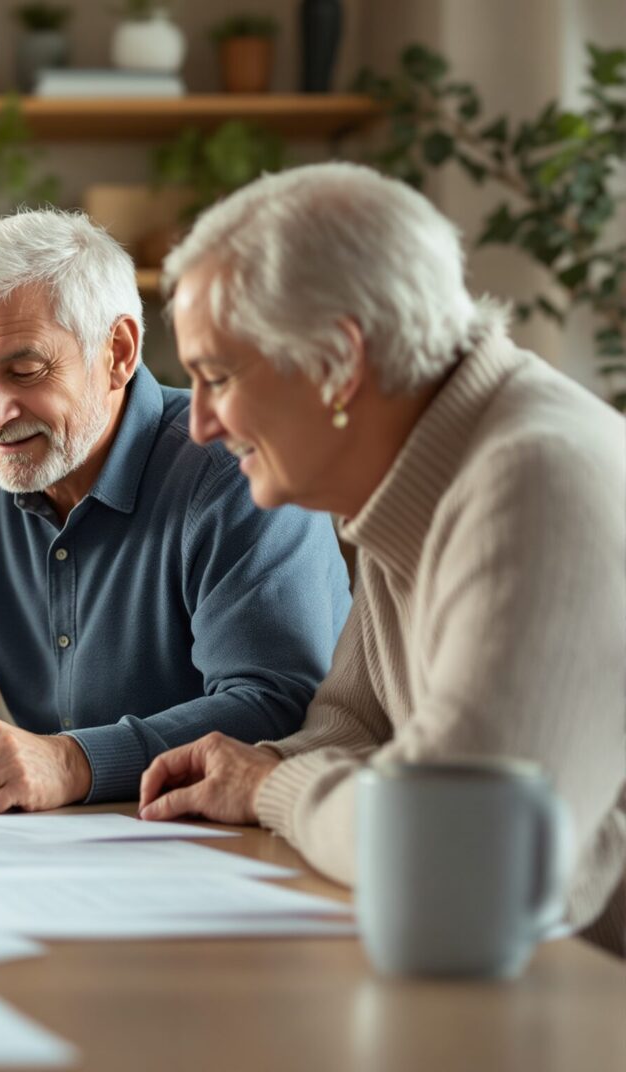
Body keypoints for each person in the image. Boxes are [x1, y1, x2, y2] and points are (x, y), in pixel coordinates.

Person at [138, 162, 626, 956]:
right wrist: (255, 767)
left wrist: (272, 786)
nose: (198, 425)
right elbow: (354, 729)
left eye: (217, 377)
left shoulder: (535, 480)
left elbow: (450, 855)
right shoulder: (409, 474)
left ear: (339, 361)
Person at [0, 208, 351, 812]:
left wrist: (75, 761)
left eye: (25, 371)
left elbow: (277, 703)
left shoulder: (236, 469)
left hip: (232, 831)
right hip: (51, 842)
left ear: (118, 352)